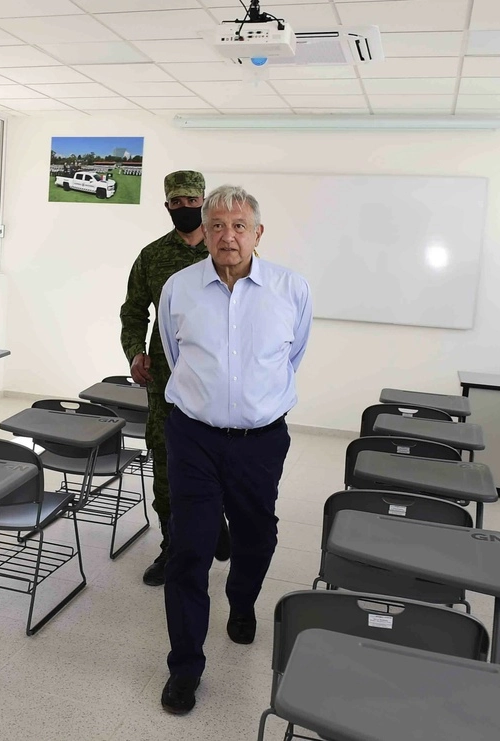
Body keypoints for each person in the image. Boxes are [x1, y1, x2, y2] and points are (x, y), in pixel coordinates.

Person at [156, 184, 312, 714]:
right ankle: (184, 667)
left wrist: (249, 404)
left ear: (258, 233)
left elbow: (291, 358)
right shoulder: (178, 288)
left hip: (260, 441)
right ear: (205, 233)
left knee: (256, 536)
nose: (228, 236)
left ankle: (241, 601)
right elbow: (175, 357)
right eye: (217, 225)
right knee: (190, 549)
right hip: (193, 437)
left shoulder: (291, 290)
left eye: (239, 226)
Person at [119, 170, 230, 587]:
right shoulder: (152, 256)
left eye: (192, 201)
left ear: (205, 201)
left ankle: (214, 519)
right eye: (176, 203)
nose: (185, 209)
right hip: (167, 380)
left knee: (218, 459)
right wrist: (135, 352)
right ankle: (172, 546)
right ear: (167, 205)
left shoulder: (226, 250)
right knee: (165, 462)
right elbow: (133, 312)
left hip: (218, 379)